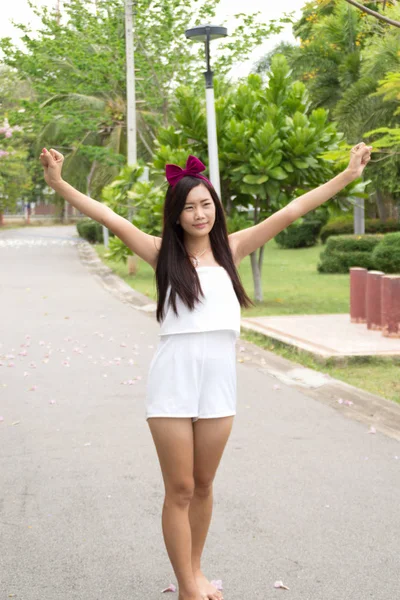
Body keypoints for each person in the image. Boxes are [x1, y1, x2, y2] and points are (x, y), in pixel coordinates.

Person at [39, 143, 372, 600]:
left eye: (206, 205)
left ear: (215, 208)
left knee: (203, 485)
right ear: (176, 214)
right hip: (172, 381)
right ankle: (187, 587)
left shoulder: (234, 249)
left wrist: (347, 177)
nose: (200, 214)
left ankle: (194, 571)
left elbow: (293, 209)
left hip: (219, 383)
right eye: (190, 207)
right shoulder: (161, 254)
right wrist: (58, 183)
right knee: (178, 487)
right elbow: (109, 217)